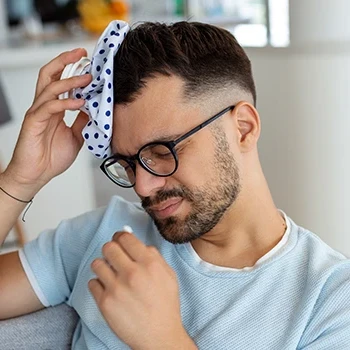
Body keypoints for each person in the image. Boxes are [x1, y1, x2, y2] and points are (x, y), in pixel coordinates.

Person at [0, 21, 350, 350]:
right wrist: (21, 179)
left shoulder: (330, 299)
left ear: (242, 128)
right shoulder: (106, 236)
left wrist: (162, 339)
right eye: (127, 163)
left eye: (162, 151)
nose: (143, 186)